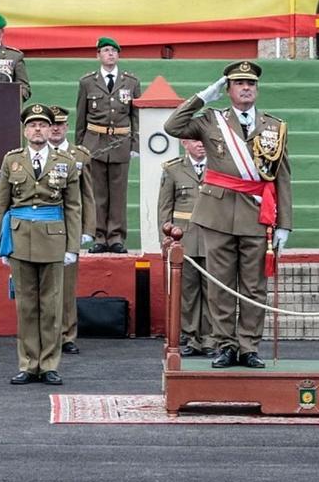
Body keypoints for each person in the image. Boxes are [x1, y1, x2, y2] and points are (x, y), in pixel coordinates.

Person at [163, 60, 292, 370]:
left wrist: (284, 224)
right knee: (220, 286)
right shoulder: (210, 120)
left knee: (253, 286)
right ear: (229, 89)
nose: (246, 88)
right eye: (238, 83)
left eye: (251, 84)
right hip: (216, 214)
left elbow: (282, 177)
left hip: (257, 216)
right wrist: (205, 96)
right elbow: (172, 126)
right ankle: (225, 346)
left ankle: (249, 346)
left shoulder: (274, 126)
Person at [0, 104, 82, 386]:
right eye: (32, 125)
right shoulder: (12, 161)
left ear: (50, 129)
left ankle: (49, 364)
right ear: (24, 130)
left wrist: (72, 247)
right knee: (26, 306)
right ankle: (27, 363)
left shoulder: (65, 162)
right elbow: (3, 204)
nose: (38, 129)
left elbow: (73, 207)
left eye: (43, 125)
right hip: (20, 238)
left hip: (53, 239)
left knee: (51, 306)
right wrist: (3, 243)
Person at [75, 37, 141, 254]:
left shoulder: (131, 82)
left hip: (121, 143)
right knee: (97, 193)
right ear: (98, 55)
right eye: (106, 50)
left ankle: (116, 237)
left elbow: (135, 116)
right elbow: (81, 117)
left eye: (114, 50)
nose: (110, 54)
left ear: (118, 55)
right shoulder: (87, 82)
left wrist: (135, 145)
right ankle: (99, 236)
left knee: (119, 194)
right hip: (94, 143)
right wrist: (78, 148)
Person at [158, 138, 215, 357]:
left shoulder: (219, 166)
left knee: (213, 292)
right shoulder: (173, 170)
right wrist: (166, 238)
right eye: (195, 140)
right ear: (184, 143)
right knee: (188, 293)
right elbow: (165, 207)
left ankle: (211, 339)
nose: (201, 144)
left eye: (203, 140)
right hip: (185, 241)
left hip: (212, 239)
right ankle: (192, 338)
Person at [49, 104, 96, 355]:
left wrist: (88, 228)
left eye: (60, 124)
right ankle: (47, 333)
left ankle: (67, 335)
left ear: (67, 127)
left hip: (69, 227)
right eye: (52, 124)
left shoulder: (79, 156)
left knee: (67, 286)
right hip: (43, 226)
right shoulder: (37, 154)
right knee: (45, 285)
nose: (56, 129)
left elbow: (87, 195)